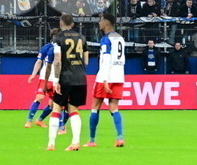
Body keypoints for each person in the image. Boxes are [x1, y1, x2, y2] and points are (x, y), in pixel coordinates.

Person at [47, 14, 89, 152]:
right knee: (74, 110)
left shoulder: (58, 38)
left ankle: (51, 144)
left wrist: (56, 80)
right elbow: (86, 61)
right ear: (72, 24)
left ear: (61, 23)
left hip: (65, 77)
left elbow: (57, 60)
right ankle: (75, 142)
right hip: (80, 77)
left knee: (56, 108)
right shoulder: (82, 38)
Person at [87, 13, 126, 147]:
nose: (99, 23)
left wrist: (104, 80)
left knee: (95, 107)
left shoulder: (105, 39)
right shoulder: (120, 38)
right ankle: (119, 138)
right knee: (114, 107)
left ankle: (92, 140)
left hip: (106, 76)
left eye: (101, 21)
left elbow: (106, 59)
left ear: (107, 23)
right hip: (119, 75)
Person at [25, 36, 57, 128]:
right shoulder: (47, 47)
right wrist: (33, 74)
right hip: (45, 77)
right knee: (39, 97)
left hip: (55, 79)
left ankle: (39, 120)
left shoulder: (62, 48)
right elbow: (39, 61)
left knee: (52, 104)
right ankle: (29, 121)